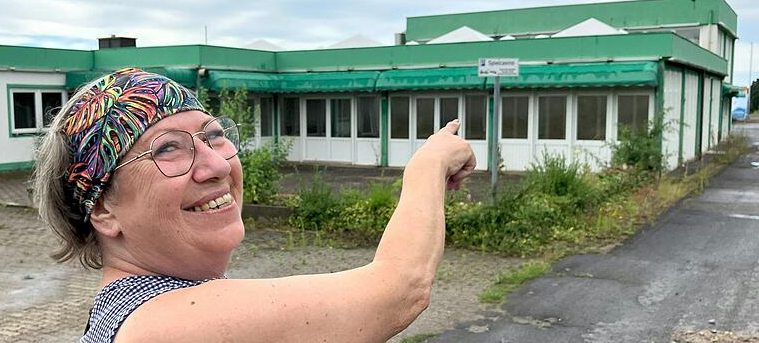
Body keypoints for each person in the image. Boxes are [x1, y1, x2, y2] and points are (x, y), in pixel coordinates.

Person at [33, 67, 476, 343]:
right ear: (103, 210)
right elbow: (397, 292)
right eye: (167, 148)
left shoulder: (146, 309)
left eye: (212, 136)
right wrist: (429, 165)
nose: (216, 164)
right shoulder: (159, 327)